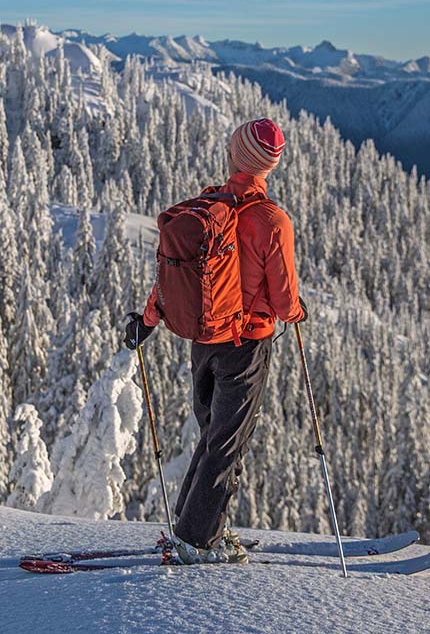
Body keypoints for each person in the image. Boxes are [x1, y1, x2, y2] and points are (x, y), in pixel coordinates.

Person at [124, 117, 306, 564]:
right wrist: (299, 313)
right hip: (245, 347)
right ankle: (199, 539)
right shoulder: (272, 221)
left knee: (212, 437)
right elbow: (285, 303)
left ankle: (191, 526)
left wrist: (147, 321)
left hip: (202, 341)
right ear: (270, 165)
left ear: (234, 157)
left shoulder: (205, 209)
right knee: (228, 442)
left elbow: (172, 277)